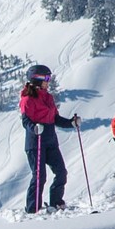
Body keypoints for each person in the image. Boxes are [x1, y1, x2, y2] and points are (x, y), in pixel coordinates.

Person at [19, 64, 80, 213]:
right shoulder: (27, 99)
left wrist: (71, 123)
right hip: (36, 142)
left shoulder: (48, 97)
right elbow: (26, 121)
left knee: (61, 172)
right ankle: (33, 208)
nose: (49, 81)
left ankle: (56, 203)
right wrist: (34, 128)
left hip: (51, 141)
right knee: (40, 176)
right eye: (46, 78)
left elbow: (55, 119)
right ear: (37, 79)